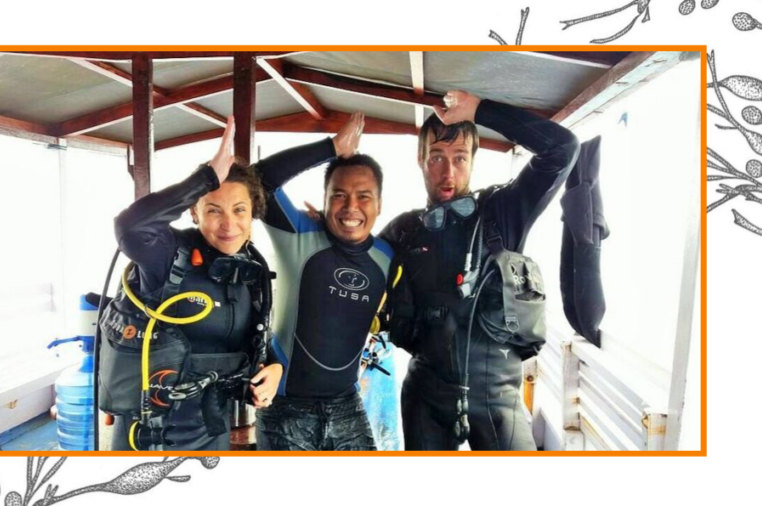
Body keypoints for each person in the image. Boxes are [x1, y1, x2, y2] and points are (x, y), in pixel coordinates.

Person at [380, 90, 579, 451]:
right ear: (420, 159)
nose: (448, 172)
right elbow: (355, 268)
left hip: (498, 399)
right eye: (437, 158)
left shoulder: (504, 212)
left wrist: (479, 110)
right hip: (425, 394)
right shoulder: (403, 230)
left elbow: (563, 148)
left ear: (473, 160)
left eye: (459, 158)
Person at [99, 117, 283, 451]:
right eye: (214, 210)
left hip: (211, 427)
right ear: (194, 213)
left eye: (239, 210)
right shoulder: (168, 255)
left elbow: (255, 338)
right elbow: (129, 227)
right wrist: (205, 179)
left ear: (252, 212)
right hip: (148, 433)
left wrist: (274, 368)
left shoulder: (250, 271)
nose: (229, 224)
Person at [253, 113, 395, 451]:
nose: (350, 207)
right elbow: (258, 179)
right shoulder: (297, 234)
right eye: (338, 195)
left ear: (379, 204)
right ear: (324, 199)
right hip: (286, 408)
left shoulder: (388, 255)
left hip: (348, 404)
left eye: (364, 196)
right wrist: (331, 147)